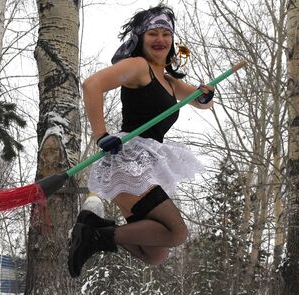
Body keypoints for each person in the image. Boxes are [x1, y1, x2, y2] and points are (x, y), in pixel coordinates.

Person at [68, 4, 214, 278]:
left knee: (155, 253)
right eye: (152, 34)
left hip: (144, 163)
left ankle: (93, 228)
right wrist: (101, 134)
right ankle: (92, 235)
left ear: (172, 41)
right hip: (128, 161)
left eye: (165, 34)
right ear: (140, 39)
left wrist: (206, 96)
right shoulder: (138, 67)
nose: (160, 39)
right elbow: (92, 85)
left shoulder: (169, 82)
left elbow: (199, 100)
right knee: (176, 232)